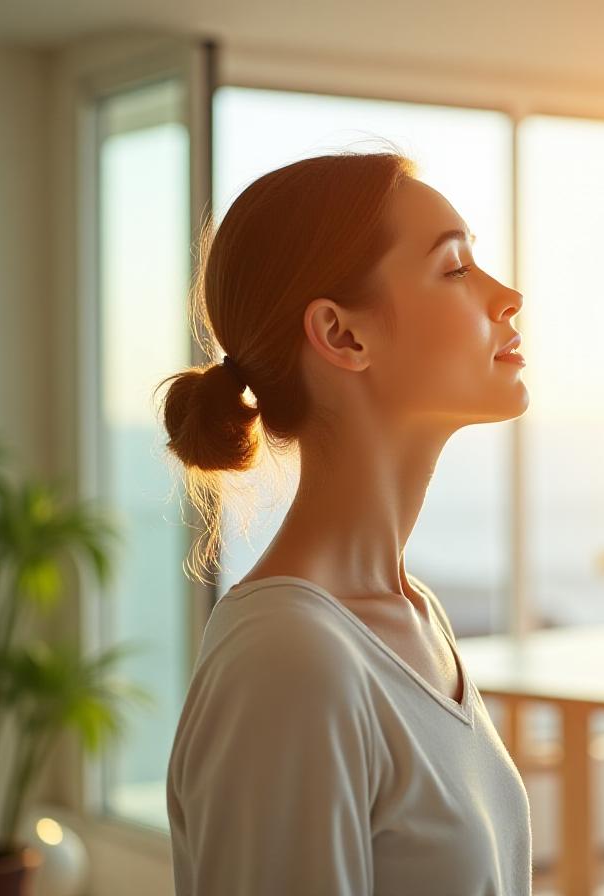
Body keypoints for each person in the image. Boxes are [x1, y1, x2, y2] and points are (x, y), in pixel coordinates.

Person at [161, 146, 533, 895]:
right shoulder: (290, 661)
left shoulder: (417, 618)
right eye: (456, 268)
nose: (508, 296)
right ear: (341, 336)